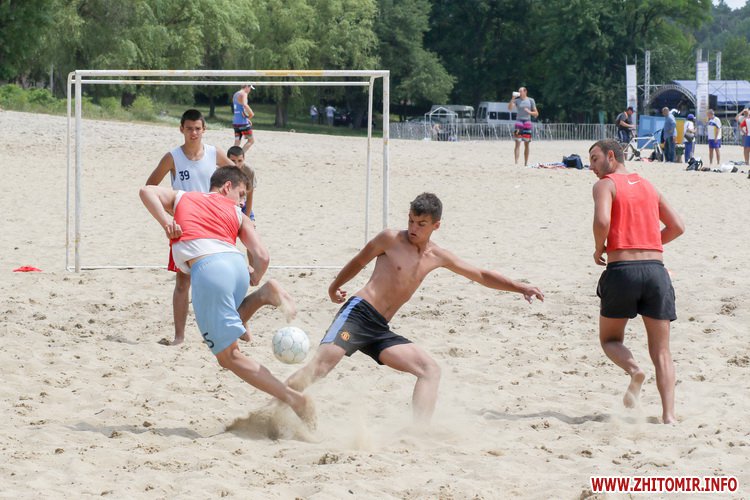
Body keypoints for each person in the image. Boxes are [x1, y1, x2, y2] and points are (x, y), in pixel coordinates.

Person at [285, 193, 544, 424]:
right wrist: (334, 287)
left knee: (429, 370)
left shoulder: (438, 256)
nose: (413, 228)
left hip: (379, 328)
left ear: (436, 225)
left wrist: (520, 287)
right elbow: (359, 261)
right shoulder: (390, 239)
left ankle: (418, 432)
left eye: (421, 224)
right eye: (410, 220)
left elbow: (481, 275)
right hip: (358, 313)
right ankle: (275, 403)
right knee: (320, 368)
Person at [139, 167, 314, 426]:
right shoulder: (238, 215)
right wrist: (255, 277)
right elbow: (262, 255)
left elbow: (146, 191)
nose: (242, 202)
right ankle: (263, 293)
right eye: (241, 194)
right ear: (226, 186)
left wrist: (167, 223)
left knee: (229, 357)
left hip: (210, 270)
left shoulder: (183, 197)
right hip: (236, 266)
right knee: (232, 335)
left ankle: (295, 400)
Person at [588, 139, 685, 424]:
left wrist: (599, 248)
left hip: (622, 271)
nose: (591, 166)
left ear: (611, 156)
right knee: (662, 351)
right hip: (656, 272)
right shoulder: (649, 186)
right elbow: (678, 227)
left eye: (594, 159)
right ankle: (669, 416)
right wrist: (651, 242)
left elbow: (602, 221)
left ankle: (634, 370)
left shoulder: (605, 185)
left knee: (610, 339)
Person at [145, 108, 233, 346]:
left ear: (204, 129)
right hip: (185, 227)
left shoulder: (214, 154)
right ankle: (179, 336)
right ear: (181, 129)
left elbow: (237, 177)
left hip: (213, 224)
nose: (193, 133)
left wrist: (234, 207)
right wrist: (171, 214)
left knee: (217, 280)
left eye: (197, 129)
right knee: (183, 282)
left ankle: (220, 331)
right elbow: (151, 187)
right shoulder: (172, 157)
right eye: (189, 129)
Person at [507, 87, 539, 166]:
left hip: (527, 122)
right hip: (519, 122)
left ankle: (526, 163)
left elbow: (536, 113)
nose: (519, 93)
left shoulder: (531, 100)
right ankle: (516, 162)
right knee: (517, 142)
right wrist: (512, 98)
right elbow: (509, 108)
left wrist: (529, 112)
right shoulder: (517, 100)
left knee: (526, 144)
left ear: (525, 92)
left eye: (521, 91)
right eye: (519, 91)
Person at [227, 146, 257, 222]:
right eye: (233, 161)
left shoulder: (249, 171)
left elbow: (250, 195)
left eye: (240, 161)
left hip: (243, 204)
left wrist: (247, 218)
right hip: (227, 205)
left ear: (244, 159)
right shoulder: (221, 170)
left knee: (251, 226)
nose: (236, 164)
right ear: (227, 159)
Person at [232, 84, 255, 152]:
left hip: (236, 122)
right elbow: (245, 105)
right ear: (247, 87)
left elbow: (238, 109)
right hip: (243, 123)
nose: (250, 90)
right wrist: (251, 113)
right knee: (251, 141)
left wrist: (247, 118)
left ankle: (232, 157)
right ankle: (240, 156)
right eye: (250, 88)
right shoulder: (244, 93)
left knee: (237, 142)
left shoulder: (235, 94)